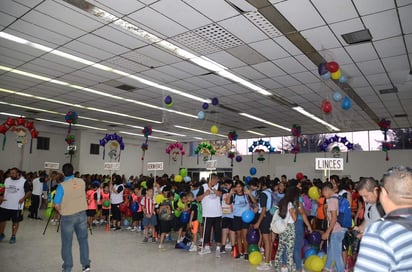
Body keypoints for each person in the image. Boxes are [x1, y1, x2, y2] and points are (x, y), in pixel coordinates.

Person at [355, 166, 412, 271]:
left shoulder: (379, 233)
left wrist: (367, 234)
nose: (364, 200)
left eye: (366, 196)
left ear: (382, 192)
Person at [53, 163, 90, 272]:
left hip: (68, 217)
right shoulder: (82, 182)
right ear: (73, 171)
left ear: (63, 173)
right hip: (82, 215)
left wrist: (62, 211)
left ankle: (68, 267)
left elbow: (56, 205)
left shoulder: (61, 186)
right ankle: (86, 265)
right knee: (83, 241)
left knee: (67, 243)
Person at [0, 167, 31, 244]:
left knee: (15, 221)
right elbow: (2, 189)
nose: (11, 174)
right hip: (5, 204)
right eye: (10, 173)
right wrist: (0, 196)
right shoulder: (7, 180)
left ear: (18, 173)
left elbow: (29, 192)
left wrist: (23, 198)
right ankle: (1, 234)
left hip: (17, 206)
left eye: (13, 173)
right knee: (1, 220)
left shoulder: (23, 181)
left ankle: (13, 236)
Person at [228, 180, 256, 260]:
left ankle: (246, 252)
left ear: (242, 187)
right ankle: (240, 253)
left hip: (245, 218)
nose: (238, 188)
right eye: (237, 187)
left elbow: (254, 201)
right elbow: (227, 202)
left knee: (244, 235)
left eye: (240, 186)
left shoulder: (246, 195)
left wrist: (249, 193)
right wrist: (230, 193)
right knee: (238, 236)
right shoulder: (234, 196)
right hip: (236, 217)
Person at [273, 186, 299, 272]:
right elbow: (294, 218)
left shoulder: (282, 202)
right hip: (290, 228)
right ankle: (290, 269)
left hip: (283, 227)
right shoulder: (290, 204)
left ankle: (276, 267)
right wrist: (297, 210)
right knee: (289, 250)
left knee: (280, 248)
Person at [321, 182, 345, 272]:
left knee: (337, 254)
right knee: (331, 250)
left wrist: (327, 232)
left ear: (326, 189)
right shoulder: (337, 197)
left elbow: (334, 218)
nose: (323, 195)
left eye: (323, 193)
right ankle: (326, 268)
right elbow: (332, 217)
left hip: (336, 230)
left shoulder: (331, 200)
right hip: (340, 229)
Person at [197, 173, 223, 257]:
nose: (216, 181)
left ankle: (218, 248)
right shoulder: (203, 187)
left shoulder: (218, 186)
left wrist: (213, 190)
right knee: (206, 231)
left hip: (217, 213)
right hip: (207, 213)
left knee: (217, 231)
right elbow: (197, 199)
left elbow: (220, 194)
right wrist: (205, 194)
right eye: (215, 179)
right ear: (211, 180)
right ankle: (207, 247)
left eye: (217, 180)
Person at [255, 178, 274, 271]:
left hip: (265, 219)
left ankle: (266, 262)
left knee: (266, 241)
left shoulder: (263, 194)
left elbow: (263, 209)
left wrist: (258, 222)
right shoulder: (270, 192)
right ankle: (269, 260)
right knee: (269, 241)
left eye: (258, 184)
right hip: (270, 217)